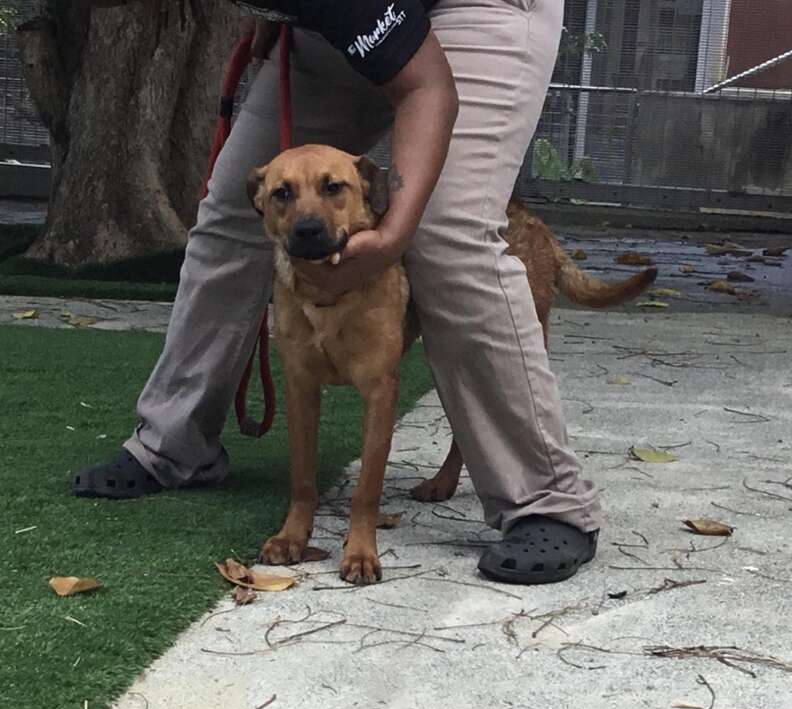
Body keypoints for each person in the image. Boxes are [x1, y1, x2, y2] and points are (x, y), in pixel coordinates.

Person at [74, 0, 601, 585]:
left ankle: (544, 500)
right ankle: (173, 444)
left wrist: (394, 235)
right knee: (231, 210)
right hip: (343, 20)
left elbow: (425, 86)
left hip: (474, 6)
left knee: (448, 227)